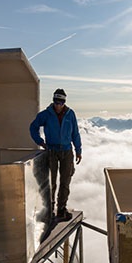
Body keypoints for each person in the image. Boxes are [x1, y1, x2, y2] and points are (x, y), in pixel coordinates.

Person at [29, 88, 83, 220]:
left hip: (67, 151)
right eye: (56, 101)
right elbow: (33, 127)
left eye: (60, 102)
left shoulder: (70, 114)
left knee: (65, 181)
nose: (58, 105)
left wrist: (78, 150)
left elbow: (75, 133)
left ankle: (61, 209)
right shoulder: (46, 114)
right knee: (51, 182)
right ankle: (50, 210)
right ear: (53, 101)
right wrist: (40, 142)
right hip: (52, 151)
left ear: (64, 101)